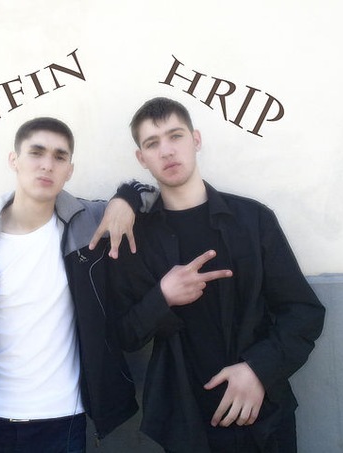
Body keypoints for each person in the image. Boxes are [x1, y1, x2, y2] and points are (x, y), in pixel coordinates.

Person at [109, 97, 326, 453]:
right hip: (185, 421)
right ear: (141, 158)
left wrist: (258, 369)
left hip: (263, 416)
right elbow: (125, 333)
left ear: (195, 140)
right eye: (152, 143)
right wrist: (162, 297)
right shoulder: (137, 238)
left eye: (175, 136)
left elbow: (303, 312)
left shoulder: (253, 220)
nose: (166, 151)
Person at [0, 117, 143, 453]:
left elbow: (150, 194)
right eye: (36, 152)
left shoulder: (88, 224)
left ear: (70, 170)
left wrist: (124, 201)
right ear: (14, 160)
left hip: (63, 422)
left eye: (59, 156)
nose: (47, 165)